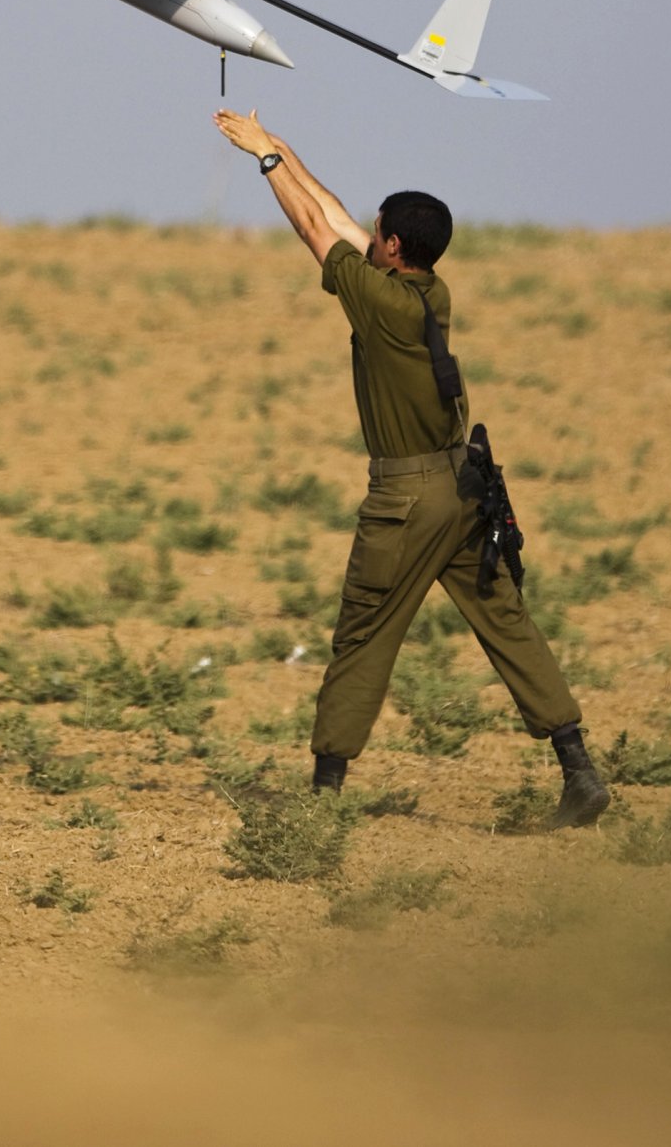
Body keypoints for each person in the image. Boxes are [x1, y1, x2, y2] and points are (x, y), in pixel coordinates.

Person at [213, 107, 608, 829]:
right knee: (506, 621)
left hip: (407, 498)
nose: (367, 233)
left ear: (392, 247)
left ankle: (321, 804)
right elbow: (332, 215)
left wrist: (266, 166)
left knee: (363, 633)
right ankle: (577, 767)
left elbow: (313, 229)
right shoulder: (426, 290)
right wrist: (279, 148)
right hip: (464, 490)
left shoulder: (379, 303)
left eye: (378, 230)